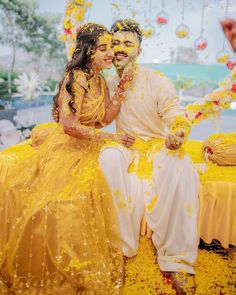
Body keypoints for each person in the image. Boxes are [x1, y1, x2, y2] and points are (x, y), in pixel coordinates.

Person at [0, 23, 135, 295]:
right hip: (68, 146)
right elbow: (69, 126)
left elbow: (107, 118)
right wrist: (112, 139)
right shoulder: (78, 77)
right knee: (60, 203)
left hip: (91, 145)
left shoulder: (98, 78)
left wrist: (121, 88)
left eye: (111, 47)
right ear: (88, 50)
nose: (110, 53)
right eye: (103, 48)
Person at [99, 19, 200, 294]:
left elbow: (174, 111)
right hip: (124, 144)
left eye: (127, 44)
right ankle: (117, 251)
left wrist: (178, 132)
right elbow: (93, 117)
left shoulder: (157, 81)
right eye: (115, 43)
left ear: (139, 52)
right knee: (107, 159)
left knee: (181, 164)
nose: (120, 48)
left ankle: (177, 260)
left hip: (156, 144)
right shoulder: (105, 81)